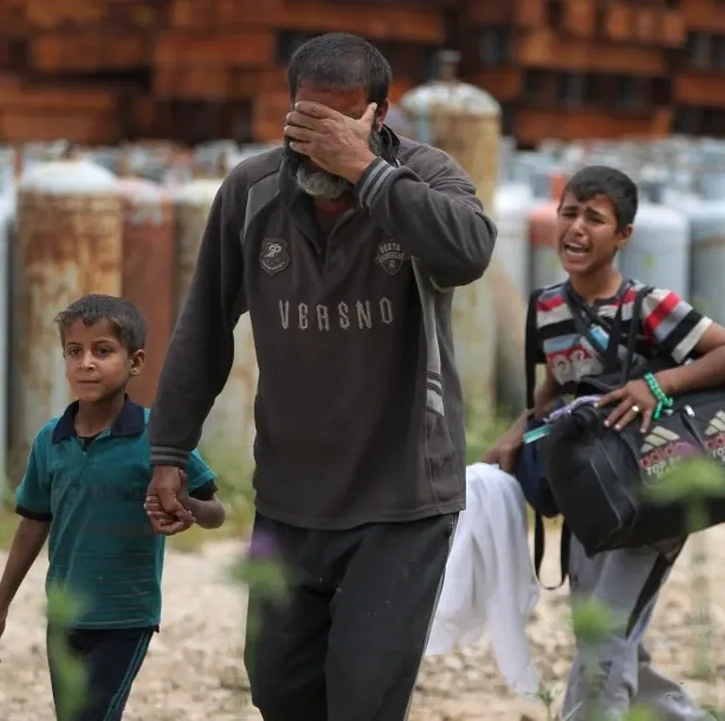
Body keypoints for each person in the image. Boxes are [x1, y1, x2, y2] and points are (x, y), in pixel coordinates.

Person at [143, 31, 496, 721]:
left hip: (403, 497)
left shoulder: (426, 180)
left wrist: (366, 172)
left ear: (378, 114)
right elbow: (204, 327)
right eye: (307, 119)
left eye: (339, 120)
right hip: (290, 492)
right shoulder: (251, 192)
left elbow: (469, 251)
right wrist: (167, 449)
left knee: (362, 696)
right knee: (278, 688)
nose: (319, 138)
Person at [484, 165, 725, 720]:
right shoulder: (547, 309)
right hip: (591, 496)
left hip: (651, 492)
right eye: (569, 213)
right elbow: (559, 386)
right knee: (610, 639)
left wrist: (655, 383)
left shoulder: (649, 306)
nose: (577, 228)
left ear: (623, 235)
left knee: (604, 640)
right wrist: (518, 429)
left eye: (595, 218)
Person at [0, 294, 224, 721]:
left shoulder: (156, 436)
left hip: (126, 616)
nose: (86, 363)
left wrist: (187, 507)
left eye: (103, 351)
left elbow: (215, 512)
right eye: (75, 352)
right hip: (65, 614)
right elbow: (32, 528)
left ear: (135, 361)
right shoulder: (49, 440)